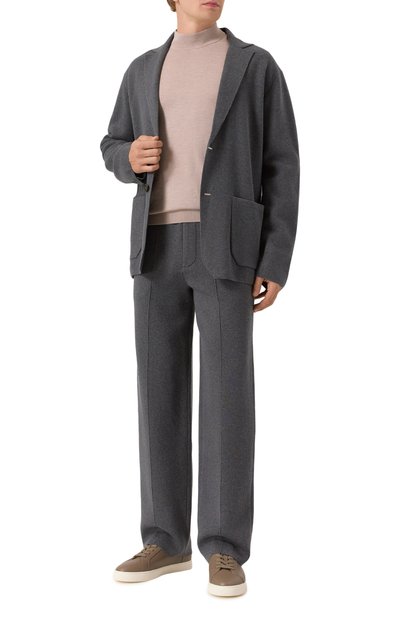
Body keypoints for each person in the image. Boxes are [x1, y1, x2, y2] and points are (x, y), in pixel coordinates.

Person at [99, 0, 300, 597]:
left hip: (227, 245)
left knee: (227, 395)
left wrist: (275, 259)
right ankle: (165, 539)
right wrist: (127, 158)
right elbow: (111, 143)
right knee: (157, 393)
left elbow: (283, 166)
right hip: (155, 246)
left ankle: (224, 546)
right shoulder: (142, 68)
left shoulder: (255, 66)